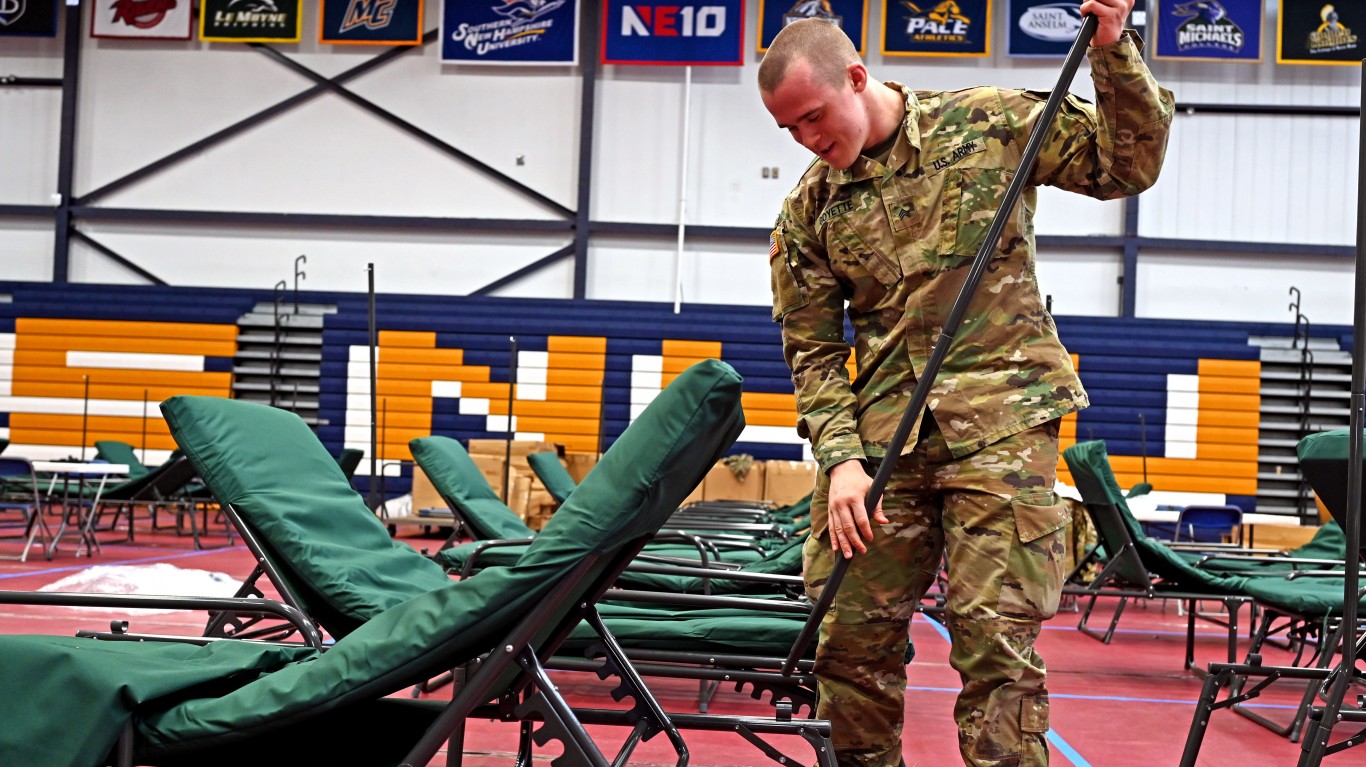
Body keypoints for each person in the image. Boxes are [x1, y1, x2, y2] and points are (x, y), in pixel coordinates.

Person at [757, 2, 1171, 766]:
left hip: (1003, 426)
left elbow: (1126, 165)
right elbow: (812, 352)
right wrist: (842, 458)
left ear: (857, 76)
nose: (810, 140)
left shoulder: (989, 123)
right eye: (791, 131)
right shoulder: (805, 215)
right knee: (846, 646)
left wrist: (1113, 49)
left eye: (815, 117)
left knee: (997, 654)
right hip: (882, 447)